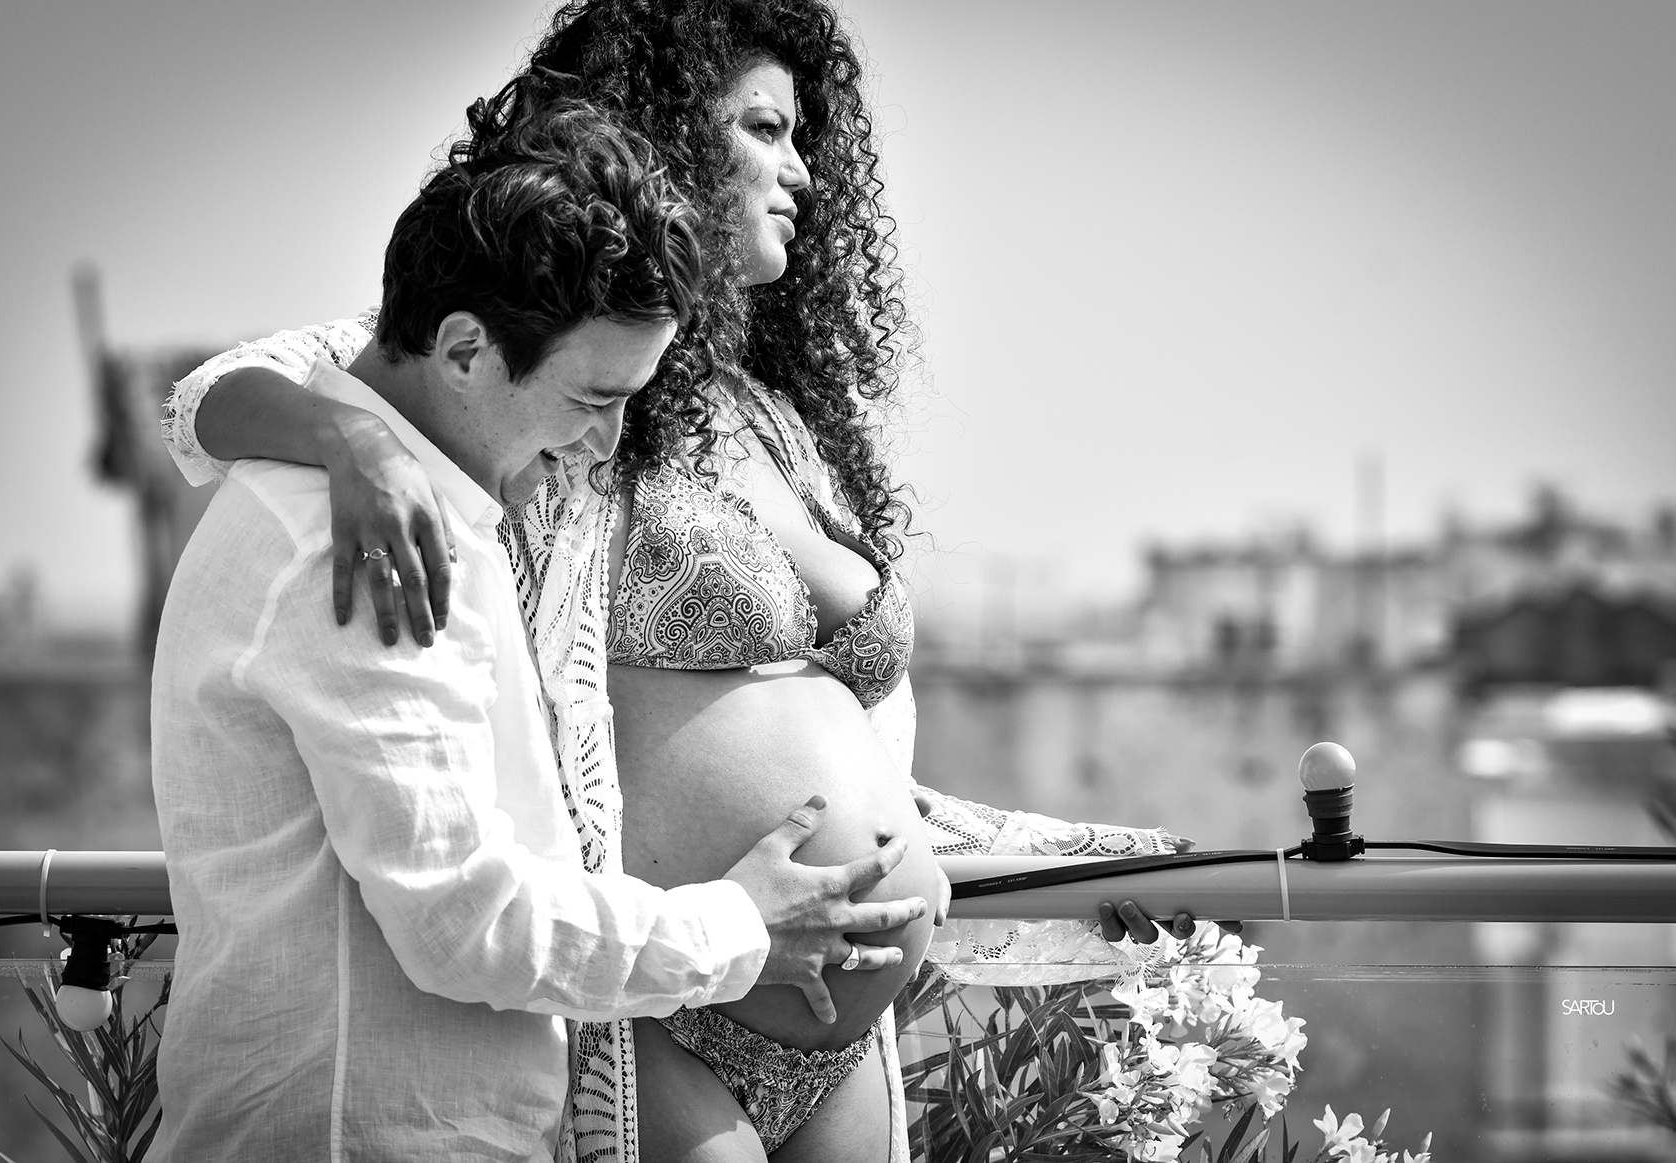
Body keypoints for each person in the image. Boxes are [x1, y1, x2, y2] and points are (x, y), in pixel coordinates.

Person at [161, 3, 1201, 1159]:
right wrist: (351, 443)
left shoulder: (776, 417)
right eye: (764, 128)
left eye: (806, 136)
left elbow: (840, 755)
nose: (803, 171)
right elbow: (226, 395)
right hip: (651, 1003)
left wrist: (1087, 865)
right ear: (666, 134)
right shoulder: (532, 351)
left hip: (826, 1005)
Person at [148, 96, 931, 1162]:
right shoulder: (371, 545)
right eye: (594, 397)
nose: (605, 442)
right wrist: (741, 926)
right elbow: (463, 920)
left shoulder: (423, 500)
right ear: (465, 349)